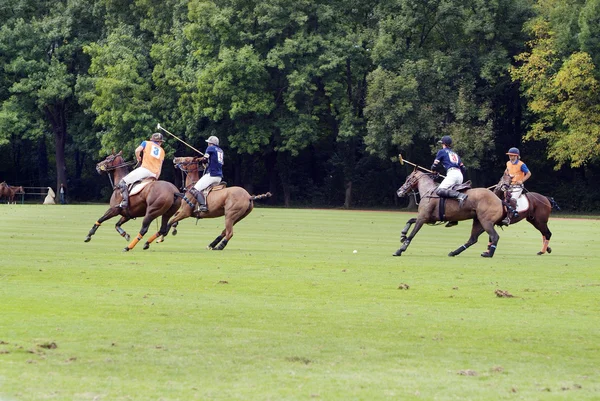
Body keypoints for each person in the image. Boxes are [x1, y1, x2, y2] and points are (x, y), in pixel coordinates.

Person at [117, 132, 166, 209]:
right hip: (154, 174)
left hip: (145, 170)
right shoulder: (162, 151)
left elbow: (137, 150)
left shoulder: (146, 143)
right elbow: (160, 167)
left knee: (122, 182)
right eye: (161, 142)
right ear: (160, 142)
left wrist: (138, 157)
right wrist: (156, 178)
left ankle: (125, 202)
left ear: (152, 139)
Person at [430, 136, 468, 227]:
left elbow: (434, 165)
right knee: (450, 195)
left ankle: (460, 195)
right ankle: (454, 219)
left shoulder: (442, 152)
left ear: (443, 144)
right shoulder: (455, 154)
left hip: (452, 173)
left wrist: (433, 171)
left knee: (439, 191)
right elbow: (464, 168)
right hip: (459, 175)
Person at [189, 135, 223, 213]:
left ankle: (202, 206)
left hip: (211, 175)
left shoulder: (210, 148)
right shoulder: (220, 150)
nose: (208, 144)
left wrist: (202, 160)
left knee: (194, 190)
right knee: (204, 191)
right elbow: (213, 161)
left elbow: (205, 159)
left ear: (211, 143)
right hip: (219, 177)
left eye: (208, 143)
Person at [500, 147, 531, 225]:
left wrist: (522, 181)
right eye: (510, 155)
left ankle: (509, 218)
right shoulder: (508, 163)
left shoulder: (521, 164)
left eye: (512, 155)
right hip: (509, 185)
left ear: (516, 156)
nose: (511, 157)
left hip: (517, 186)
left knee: (513, 199)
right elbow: (506, 171)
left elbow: (529, 173)